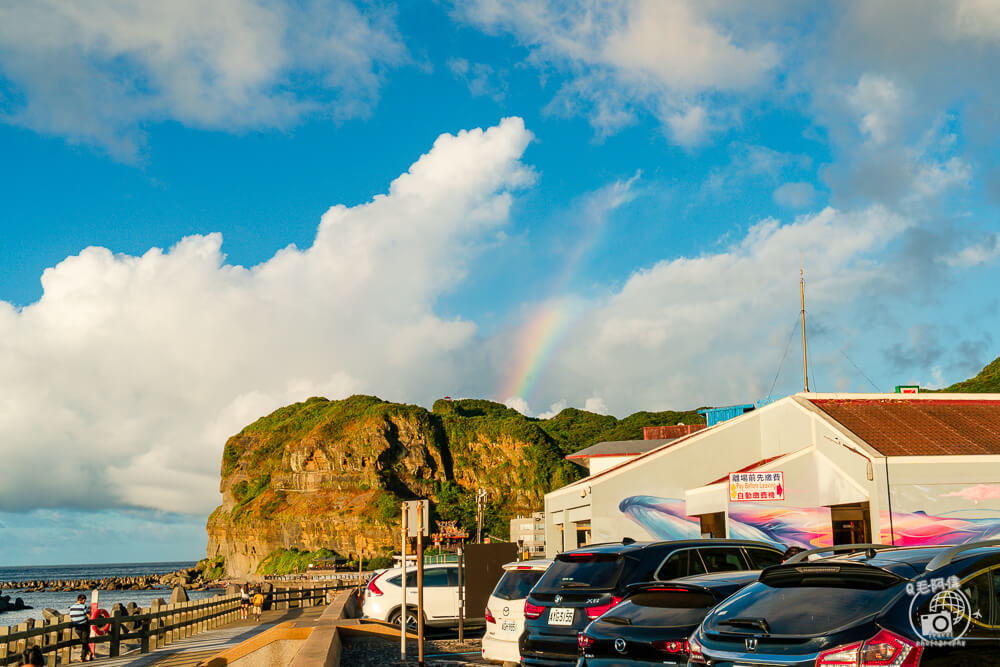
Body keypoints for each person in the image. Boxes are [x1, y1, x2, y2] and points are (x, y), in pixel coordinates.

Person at [69, 594, 93, 662]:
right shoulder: (84, 606)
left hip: (76, 626)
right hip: (84, 625)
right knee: (85, 641)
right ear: (83, 600)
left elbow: (71, 615)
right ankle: (83, 658)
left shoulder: (72, 607)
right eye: (84, 600)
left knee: (83, 641)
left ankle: (88, 653)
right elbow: (89, 615)